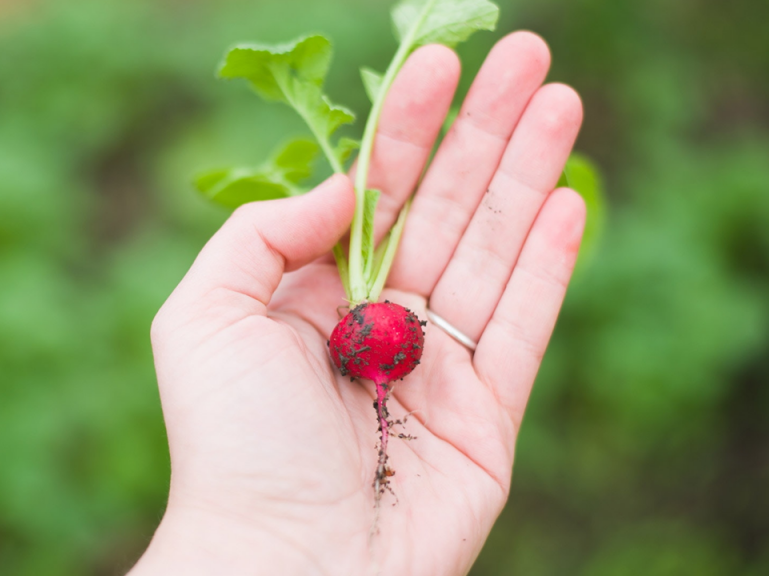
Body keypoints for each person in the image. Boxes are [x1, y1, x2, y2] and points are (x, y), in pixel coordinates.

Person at [130, 31, 585, 576]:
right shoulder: (371, 338)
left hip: (376, 330)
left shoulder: (375, 339)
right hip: (374, 329)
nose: (382, 396)